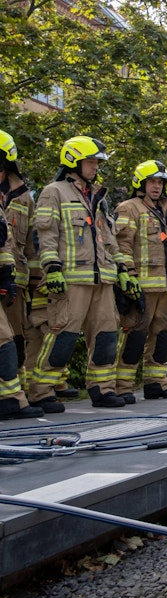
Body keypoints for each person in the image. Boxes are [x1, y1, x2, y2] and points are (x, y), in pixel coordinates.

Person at [31, 136, 139, 409]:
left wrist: (122, 269)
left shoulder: (97, 197)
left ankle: (102, 389)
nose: (95, 168)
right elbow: (46, 234)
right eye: (91, 162)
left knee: (106, 336)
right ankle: (41, 391)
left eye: (96, 163)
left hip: (102, 278)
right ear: (73, 161)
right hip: (70, 280)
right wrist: (52, 268)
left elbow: (108, 237)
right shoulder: (53, 192)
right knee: (63, 336)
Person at [112, 160, 167, 402]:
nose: (156, 186)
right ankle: (122, 386)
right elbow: (121, 245)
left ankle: (156, 383)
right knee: (135, 335)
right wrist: (128, 276)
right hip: (141, 286)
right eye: (152, 181)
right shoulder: (128, 208)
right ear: (141, 183)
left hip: (165, 286)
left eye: (160, 182)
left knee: (162, 336)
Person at [0, 130, 43, 420]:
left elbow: (31, 242)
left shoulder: (23, 196)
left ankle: (16, 395)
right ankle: (12, 399)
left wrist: (39, 278)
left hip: (16, 279)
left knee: (14, 339)